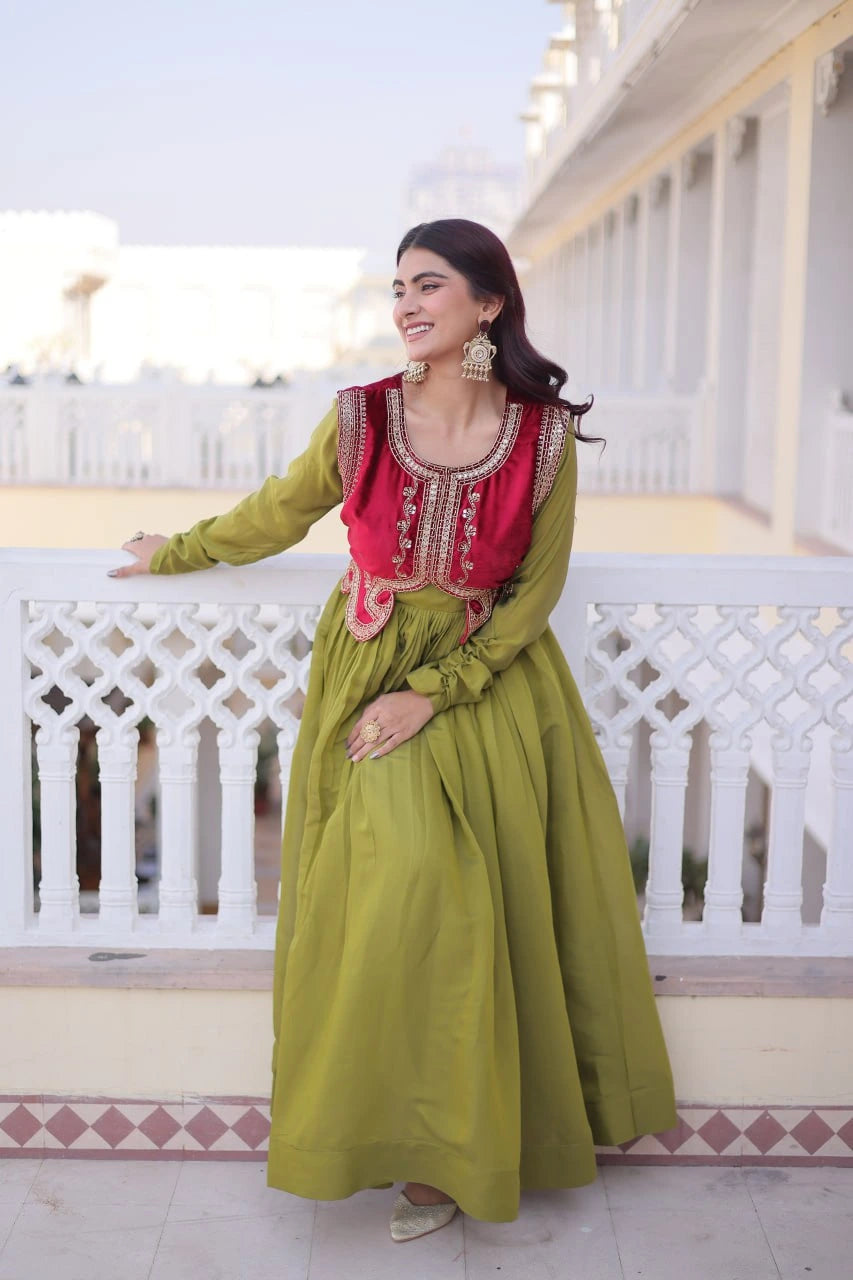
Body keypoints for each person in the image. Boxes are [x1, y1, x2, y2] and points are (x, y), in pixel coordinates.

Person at [110, 218, 678, 1243]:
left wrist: (439, 687)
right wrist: (177, 549)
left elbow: (532, 594)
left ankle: (460, 1150)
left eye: (429, 285)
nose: (408, 305)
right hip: (366, 666)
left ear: (488, 303)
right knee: (402, 883)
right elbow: (277, 513)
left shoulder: (543, 434)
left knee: (482, 906)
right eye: (397, 290)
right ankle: (389, 1132)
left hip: (490, 683)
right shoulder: (362, 419)